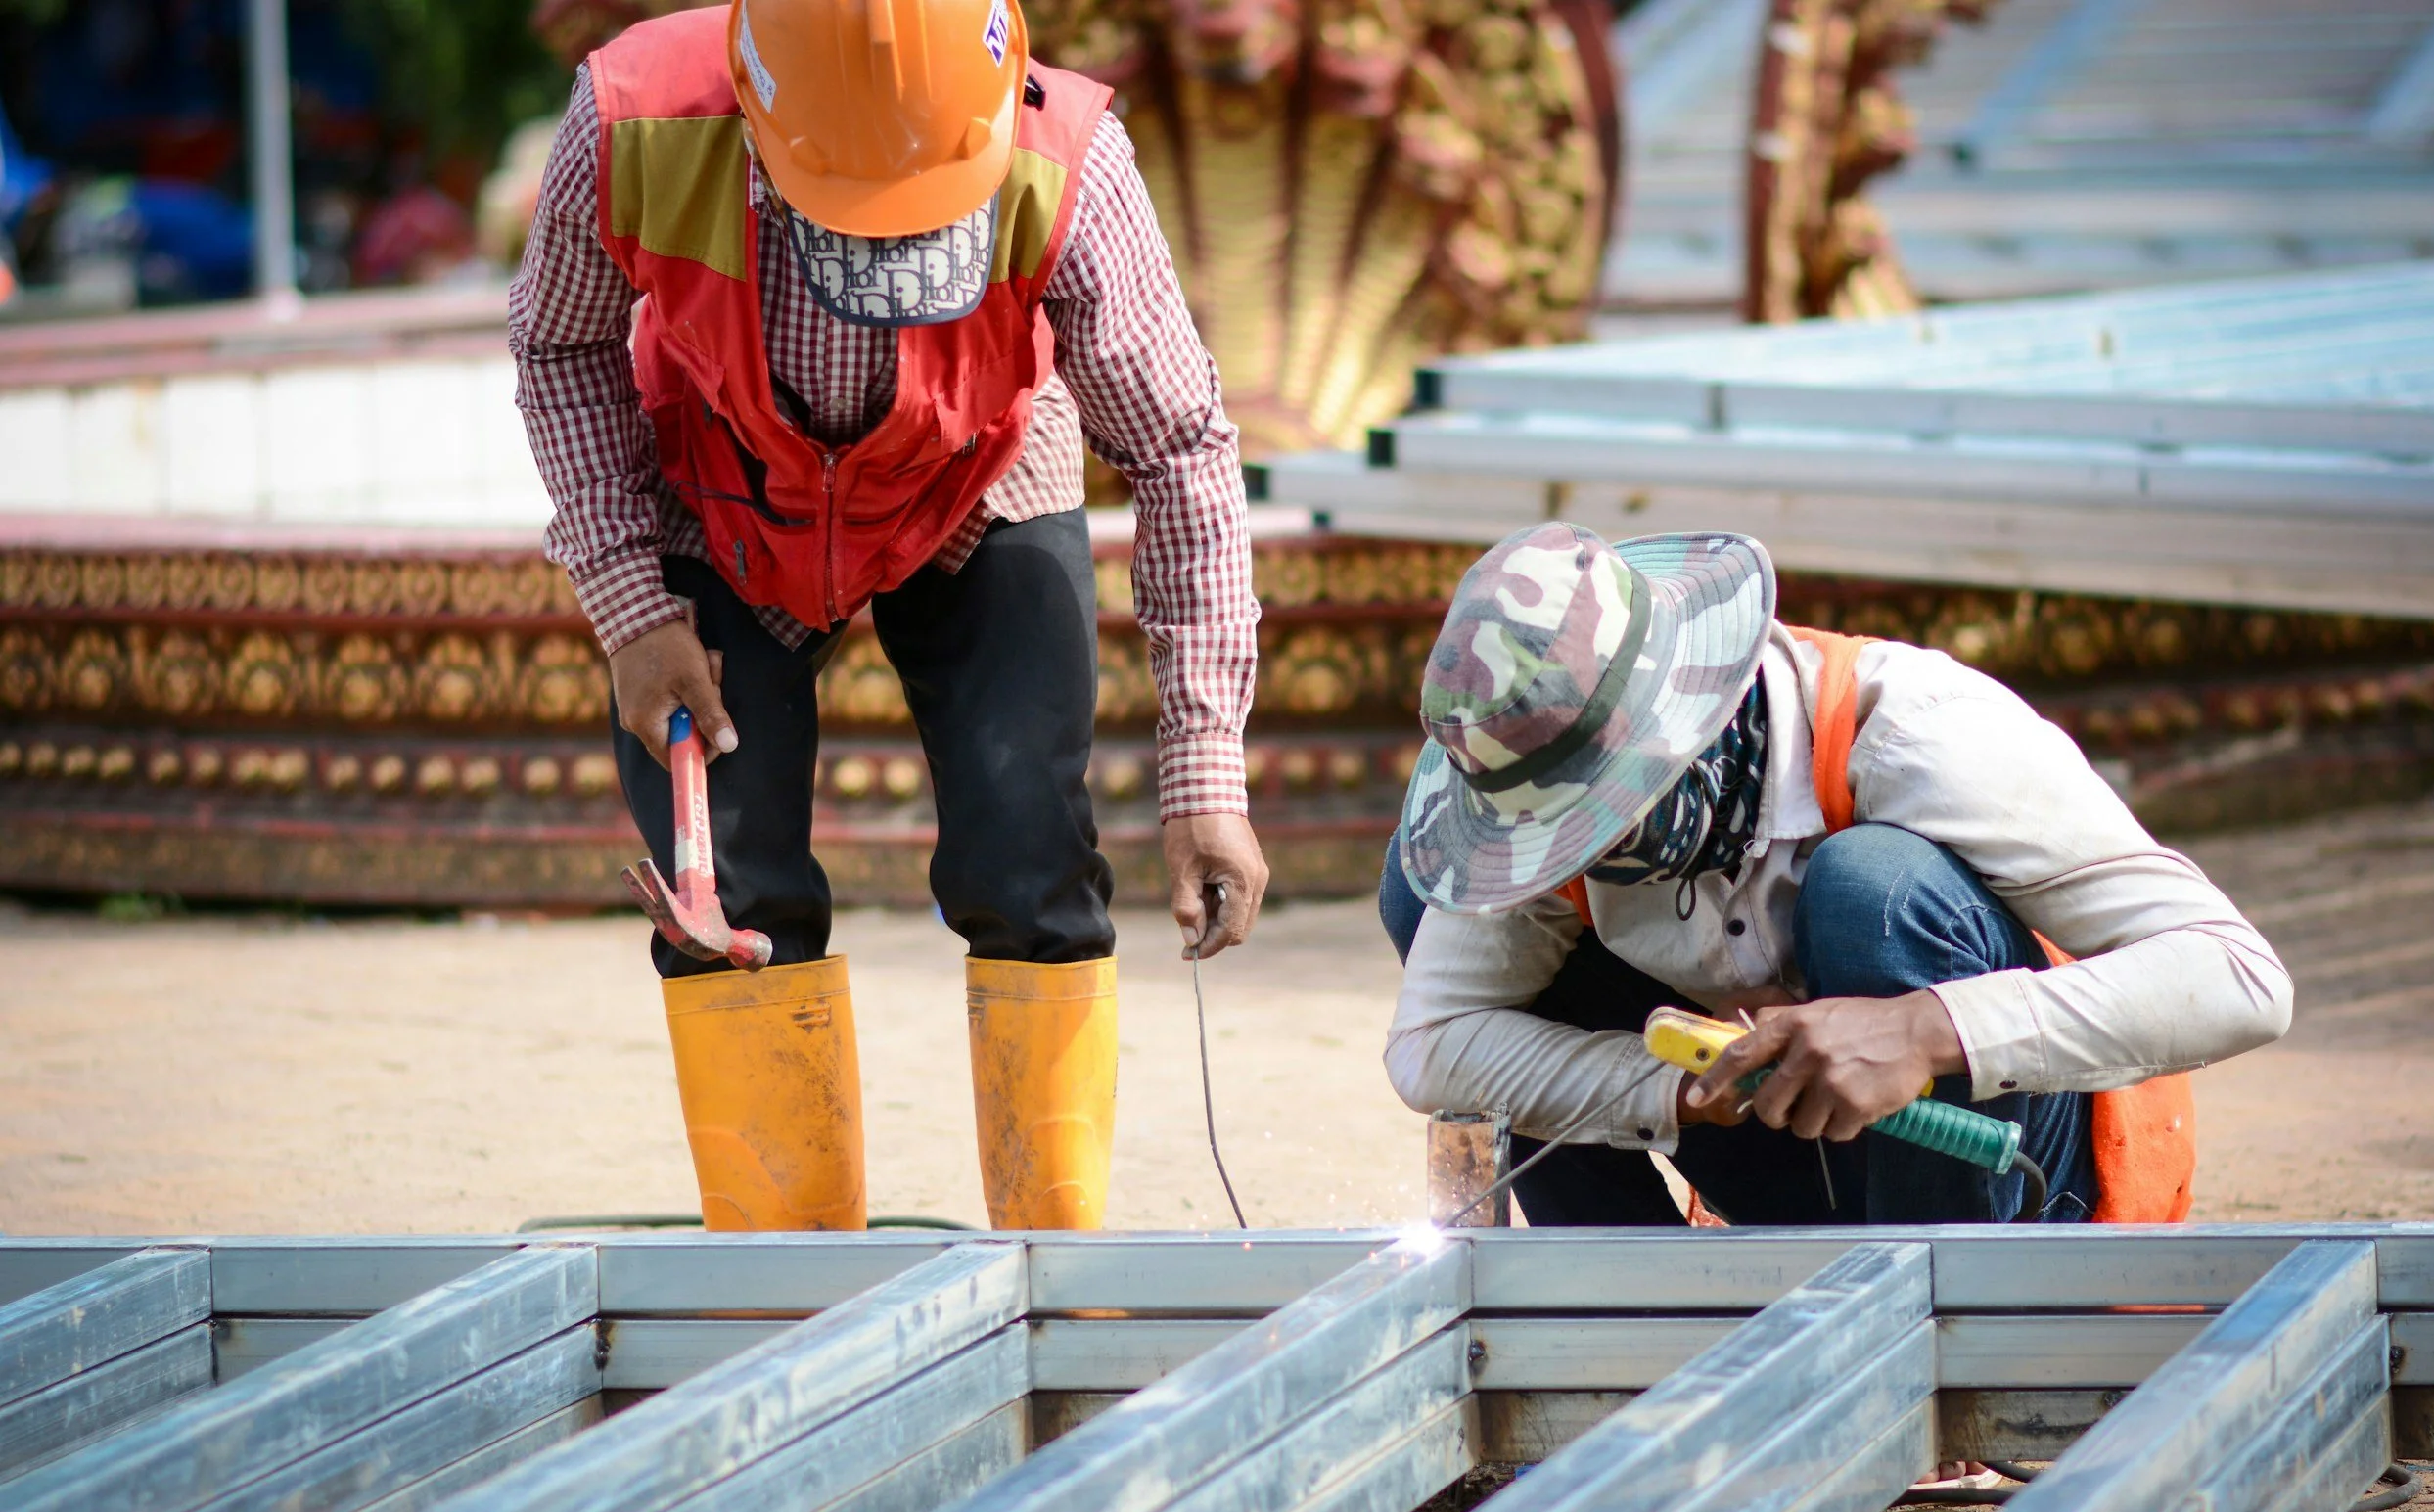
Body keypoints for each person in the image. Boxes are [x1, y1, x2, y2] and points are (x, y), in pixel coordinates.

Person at [508, 0, 1266, 1233]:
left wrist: (1204, 775)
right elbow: (561, 347)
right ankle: (785, 1278)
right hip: (718, 494)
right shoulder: (633, 121)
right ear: (755, 133)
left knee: (1029, 853)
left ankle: (1049, 1260)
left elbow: (1180, 448)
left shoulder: (1063, 155)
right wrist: (631, 606)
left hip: (977, 476)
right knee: (729, 897)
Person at [1378, 523, 2290, 1226]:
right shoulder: (1537, 809)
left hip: (2012, 1168)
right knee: (1419, 895)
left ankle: (1944, 1335)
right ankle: (1641, 1336)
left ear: (1684, 725)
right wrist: (1672, 1090)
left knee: (1873, 891)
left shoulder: (1919, 730)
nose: (1565, 856)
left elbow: (2242, 981)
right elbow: (1431, 1044)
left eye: (1591, 820)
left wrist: (1922, 1033)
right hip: (1790, 1163)